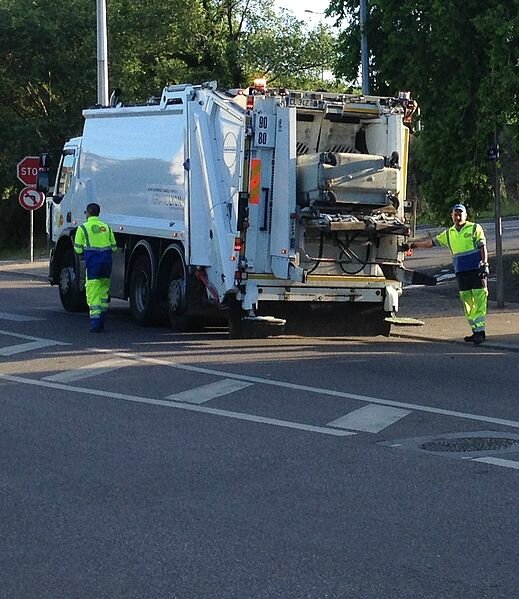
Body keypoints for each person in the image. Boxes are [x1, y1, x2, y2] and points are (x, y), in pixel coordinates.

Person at [405, 204, 489, 345]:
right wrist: (414, 245)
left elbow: (482, 246)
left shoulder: (474, 228)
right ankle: (475, 331)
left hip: (476, 270)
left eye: (460, 214)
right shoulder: (449, 233)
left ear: (465, 215)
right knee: (467, 301)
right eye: (455, 214)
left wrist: (485, 264)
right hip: (461, 272)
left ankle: (481, 332)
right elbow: (432, 242)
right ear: (452, 216)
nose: (457, 217)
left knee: (480, 299)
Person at [74, 203, 117, 332]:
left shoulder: (83, 228)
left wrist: (85, 254)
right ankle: (102, 320)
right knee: (104, 293)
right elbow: (114, 247)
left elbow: (77, 248)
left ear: (87, 213)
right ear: (98, 213)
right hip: (106, 264)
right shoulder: (106, 227)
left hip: (92, 265)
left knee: (93, 294)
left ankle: (96, 325)